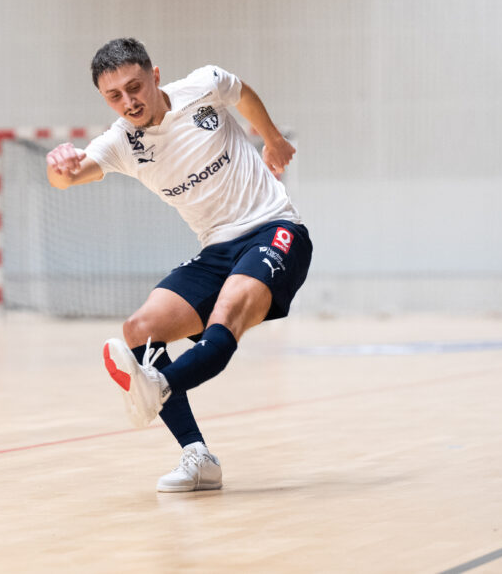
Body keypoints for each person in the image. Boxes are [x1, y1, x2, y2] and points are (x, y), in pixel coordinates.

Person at [45, 38, 312, 492]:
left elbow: (242, 93)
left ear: (154, 76)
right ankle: (197, 455)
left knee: (224, 320)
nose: (129, 102)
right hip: (215, 250)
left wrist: (272, 140)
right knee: (138, 331)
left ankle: (155, 388)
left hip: (273, 229)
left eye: (135, 87)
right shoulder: (121, 144)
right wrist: (58, 165)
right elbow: (67, 179)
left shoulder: (202, 85)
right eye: (115, 96)